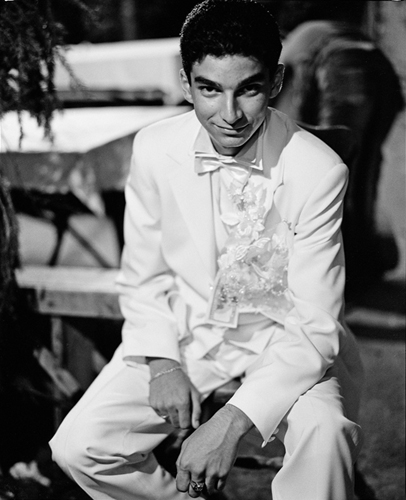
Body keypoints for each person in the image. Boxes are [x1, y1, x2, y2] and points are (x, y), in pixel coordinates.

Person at [49, 1, 364, 499]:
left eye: (249, 89)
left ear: (276, 82)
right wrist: (162, 362)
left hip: (285, 342)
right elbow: (143, 276)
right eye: (210, 89)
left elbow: (314, 325)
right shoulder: (153, 148)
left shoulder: (319, 171)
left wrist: (232, 421)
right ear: (185, 82)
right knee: (79, 447)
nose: (230, 114)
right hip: (188, 333)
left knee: (324, 438)